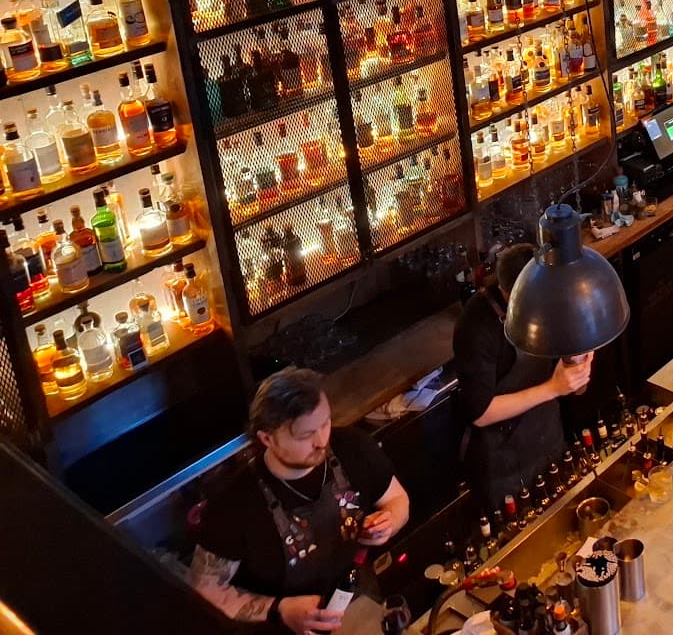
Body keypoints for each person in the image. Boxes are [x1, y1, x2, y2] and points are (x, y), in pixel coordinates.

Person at [190, 368, 410, 635]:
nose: (321, 441)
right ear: (267, 438)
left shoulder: (353, 448)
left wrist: (389, 521)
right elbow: (205, 592)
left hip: (356, 601)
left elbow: (398, 500)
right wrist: (279, 609)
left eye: (325, 424)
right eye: (305, 435)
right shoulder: (235, 504)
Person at [454, 242, 594, 508]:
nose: (540, 308)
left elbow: (577, 388)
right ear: (506, 292)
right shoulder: (476, 326)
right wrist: (553, 388)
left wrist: (579, 366)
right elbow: (480, 413)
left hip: (548, 438)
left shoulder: (553, 300)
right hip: (502, 462)